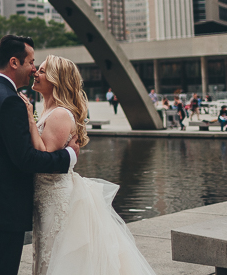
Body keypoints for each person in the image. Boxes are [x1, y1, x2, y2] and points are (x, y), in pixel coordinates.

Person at [20, 54, 156, 275]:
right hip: (45, 196)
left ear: (57, 79)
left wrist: (29, 121)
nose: (36, 72)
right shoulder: (48, 111)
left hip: (56, 197)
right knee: (46, 253)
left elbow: (44, 156)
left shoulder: (60, 114)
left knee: (56, 255)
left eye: (43, 70)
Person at [0, 34, 80, 275]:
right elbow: (26, 159)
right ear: (14, 62)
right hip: (3, 208)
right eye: (31, 62)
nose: (33, 69)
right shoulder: (9, 100)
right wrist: (69, 157)